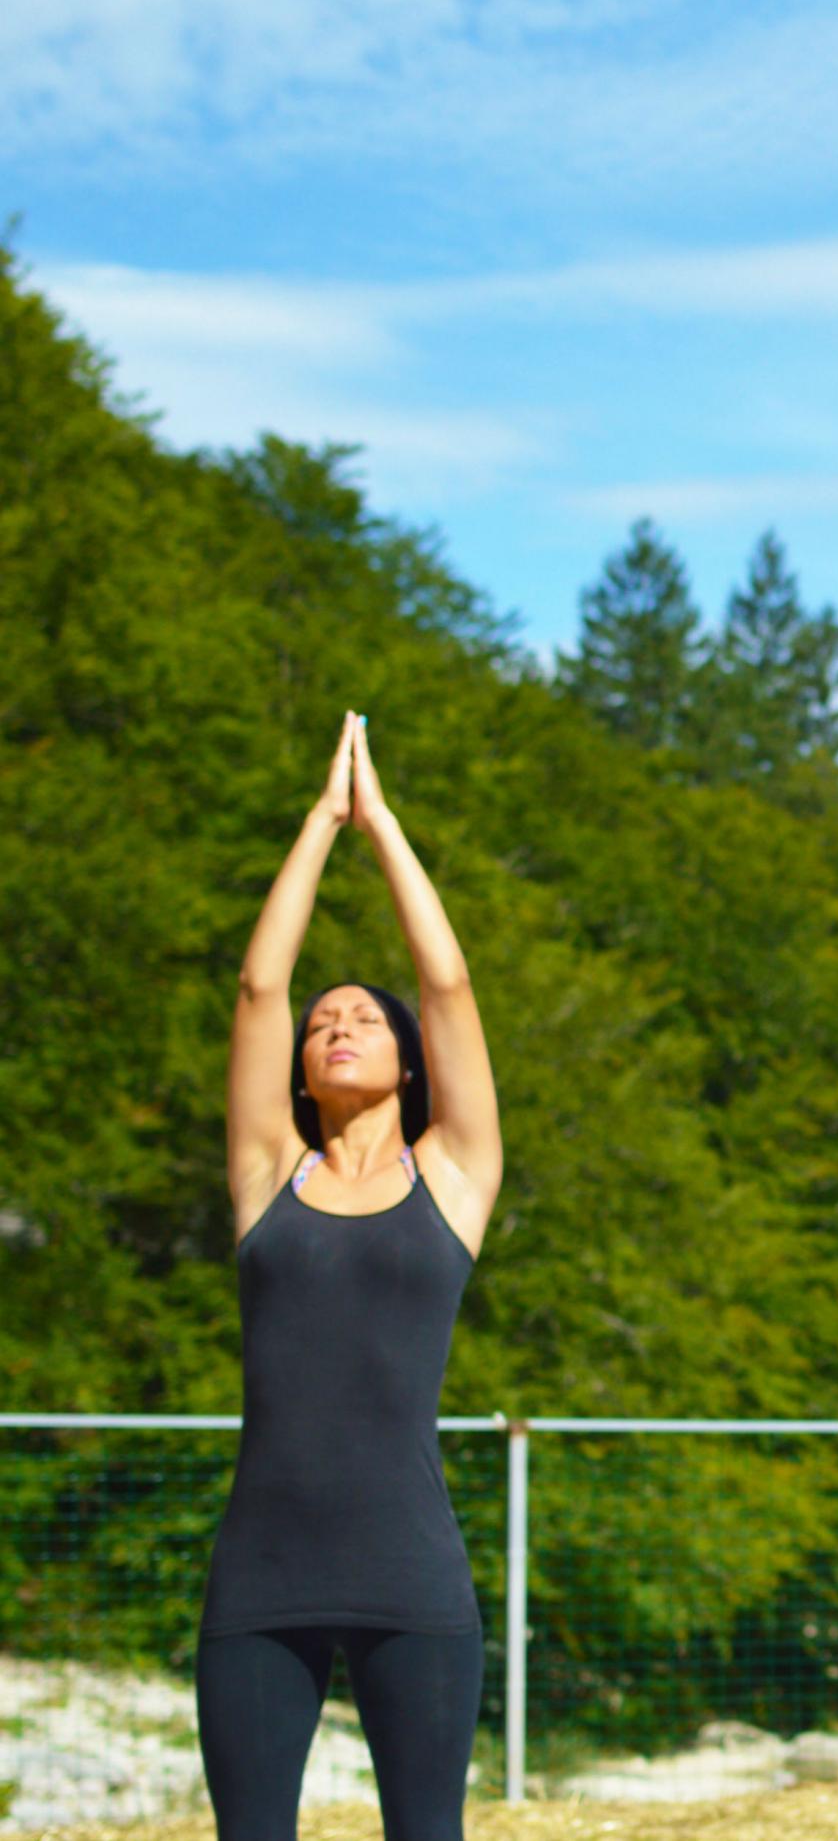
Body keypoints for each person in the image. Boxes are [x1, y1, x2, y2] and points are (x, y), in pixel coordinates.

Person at [201, 712, 503, 1841]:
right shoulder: (265, 1175)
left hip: (411, 1577)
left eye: (362, 1018)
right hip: (260, 1575)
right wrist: (318, 822)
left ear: (407, 1059)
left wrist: (378, 825)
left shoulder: (455, 1178)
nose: (333, 1024)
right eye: (323, 1022)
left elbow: (452, 985)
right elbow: (255, 989)